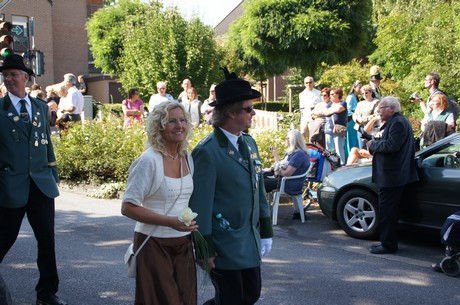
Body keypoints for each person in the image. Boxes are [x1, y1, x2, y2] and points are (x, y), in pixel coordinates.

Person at [189, 68, 273, 305]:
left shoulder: (249, 143)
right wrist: (204, 249)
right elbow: (200, 205)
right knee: (232, 299)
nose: (253, 113)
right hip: (224, 242)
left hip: (249, 238)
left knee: (251, 294)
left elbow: (258, 190)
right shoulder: (207, 151)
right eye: (248, 108)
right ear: (230, 112)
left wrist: (265, 230)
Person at [0, 54, 66, 305]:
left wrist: (53, 174)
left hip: (41, 184)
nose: (9, 79)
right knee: (5, 238)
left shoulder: (40, 107)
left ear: (26, 78)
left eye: (14, 75)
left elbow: (47, 145)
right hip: (10, 186)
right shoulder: (0, 109)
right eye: (5, 75)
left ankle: (47, 293)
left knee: (46, 240)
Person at [121, 101, 198, 305]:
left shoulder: (186, 157)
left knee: (186, 300)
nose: (179, 125)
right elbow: (127, 207)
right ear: (159, 126)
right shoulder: (149, 160)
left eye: (182, 120)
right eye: (171, 121)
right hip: (153, 243)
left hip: (183, 243)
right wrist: (169, 222)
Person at [365, 97, 419, 254]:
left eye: (382, 107)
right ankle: (387, 241)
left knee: (388, 211)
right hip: (392, 174)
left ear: (392, 109)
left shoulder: (398, 122)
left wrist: (372, 145)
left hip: (392, 175)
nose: (378, 110)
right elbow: (387, 141)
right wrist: (373, 141)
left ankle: (388, 244)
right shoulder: (395, 122)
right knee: (389, 210)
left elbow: (391, 145)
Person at [264, 129, 310, 220]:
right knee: (261, 176)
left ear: (293, 139)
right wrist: (276, 158)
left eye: (287, 138)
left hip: (289, 183)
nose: (285, 139)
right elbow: (281, 167)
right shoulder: (291, 153)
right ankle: (264, 211)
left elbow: (287, 173)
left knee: (260, 183)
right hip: (284, 180)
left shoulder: (299, 154)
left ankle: (262, 213)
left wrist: (277, 169)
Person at [321, 87, 347, 165]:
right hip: (328, 129)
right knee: (329, 150)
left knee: (339, 149)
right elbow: (324, 112)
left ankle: (341, 165)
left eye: (332, 94)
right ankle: (331, 165)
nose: (330, 96)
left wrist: (329, 111)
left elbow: (338, 109)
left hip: (338, 129)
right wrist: (329, 111)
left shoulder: (343, 103)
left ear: (338, 95)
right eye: (330, 94)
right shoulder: (330, 104)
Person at [353, 84, 380, 149]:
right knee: (361, 148)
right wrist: (357, 119)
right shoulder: (360, 103)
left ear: (371, 92)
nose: (364, 95)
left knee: (370, 148)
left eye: (366, 93)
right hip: (360, 128)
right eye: (362, 93)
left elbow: (376, 115)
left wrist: (363, 119)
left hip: (371, 128)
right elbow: (355, 114)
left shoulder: (376, 102)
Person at [299, 76, 321, 142]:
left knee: (312, 137)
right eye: (307, 83)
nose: (308, 84)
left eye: (310, 82)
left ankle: (311, 151)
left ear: (313, 83)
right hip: (305, 118)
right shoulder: (301, 94)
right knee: (302, 133)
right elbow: (301, 108)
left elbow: (321, 106)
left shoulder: (318, 93)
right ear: (304, 84)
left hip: (314, 119)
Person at [344, 80, 361, 160]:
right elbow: (348, 110)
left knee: (355, 139)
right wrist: (355, 115)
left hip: (356, 121)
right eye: (359, 87)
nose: (360, 89)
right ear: (354, 87)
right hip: (351, 120)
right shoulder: (350, 97)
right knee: (351, 138)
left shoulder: (356, 97)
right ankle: (350, 156)